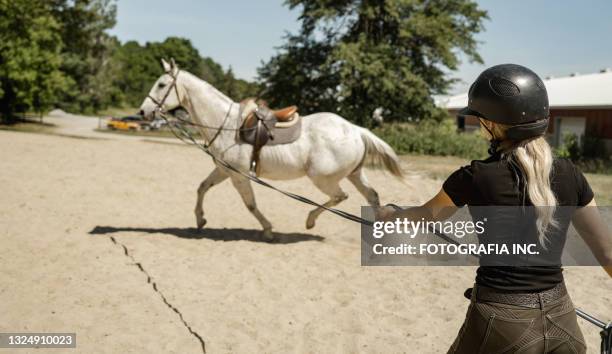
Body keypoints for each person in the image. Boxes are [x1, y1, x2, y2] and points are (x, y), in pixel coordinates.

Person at [378, 64, 612, 353]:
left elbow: (424, 217)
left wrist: (392, 214)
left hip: (500, 323)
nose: (479, 128)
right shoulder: (571, 173)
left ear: (493, 124)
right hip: (563, 321)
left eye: (480, 121)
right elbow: (607, 253)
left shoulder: (474, 176)